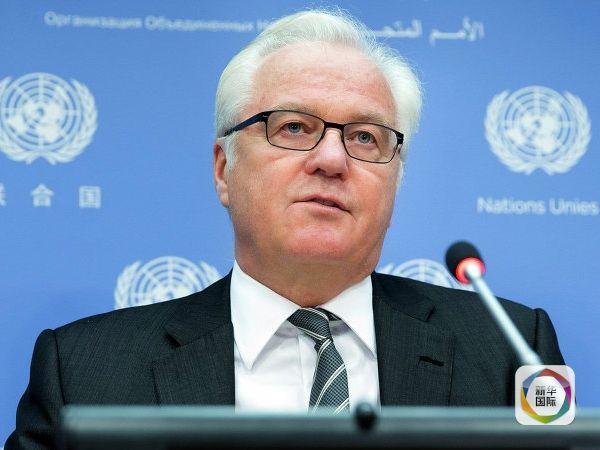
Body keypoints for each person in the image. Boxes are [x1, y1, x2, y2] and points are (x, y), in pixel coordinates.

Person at [6, 9, 564, 450]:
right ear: (224, 169)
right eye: (294, 127)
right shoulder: (84, 373)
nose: (332, 159)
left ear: (396, 178)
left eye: (365, 137)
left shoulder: (511, 351)